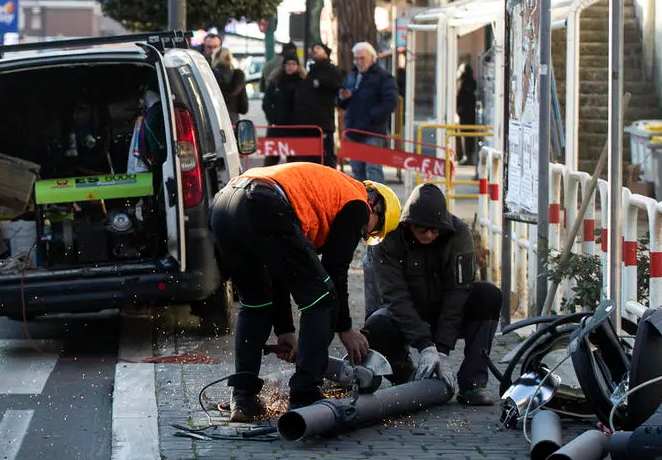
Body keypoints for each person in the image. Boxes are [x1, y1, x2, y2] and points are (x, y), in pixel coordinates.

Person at [209, 162, 401, 421]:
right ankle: (305, 393)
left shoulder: (324, 196)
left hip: (224, 205)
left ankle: (243, 398)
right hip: (262, 202)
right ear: (376, 206)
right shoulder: (357, 203)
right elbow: (335, 270)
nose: (366, 234)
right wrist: (345, 329)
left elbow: (280, 271)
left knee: (255, 302)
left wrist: (285, 330)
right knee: (322, 298)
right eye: (374, 229)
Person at [363, 183, 501, 406]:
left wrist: (443, 350)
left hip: (445, 313)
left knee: (488, 295)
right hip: (405, 315)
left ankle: (473, 382)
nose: (429, 234)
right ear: (409, 225)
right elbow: (395, 296)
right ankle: (406, 377)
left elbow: (458, 294)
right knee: (376, 325)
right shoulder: (390, 238)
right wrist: (425, 346)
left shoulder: (459, 234)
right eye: (422, 229)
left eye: (434, 230)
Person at [337, 42, 399, 183]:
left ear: (372, 58)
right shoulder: (352, 75)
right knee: (356, 169)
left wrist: (372, 116)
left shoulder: (383, 76)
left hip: (372, 130)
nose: (359, 62)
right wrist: (342, 98)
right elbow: (342, 102)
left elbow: (390, 101)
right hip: (353, 129)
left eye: (362, 58)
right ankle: (361, 201)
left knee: (373, 168)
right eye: (356, 59)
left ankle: (378, 201)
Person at [297, 43, 342, 166]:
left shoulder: (331, 70)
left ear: (325, 52)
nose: (314, 51)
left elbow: (337, 85)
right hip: (309, 123)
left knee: (325, 158)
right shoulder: (312, 71)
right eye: (313, 48)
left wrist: (321, 82)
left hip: (323, 123)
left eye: (318, 48)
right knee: (310, 160)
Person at [262, 54, 305, 165]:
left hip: (296, 128)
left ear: (298, 66)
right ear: (284, 66)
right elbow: (266, 102)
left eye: (293, 64)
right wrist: (272, 119)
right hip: (278, 126)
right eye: (288, 64)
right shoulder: (275, 81)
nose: (290, 66)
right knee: (271, 161)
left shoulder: (303, 82)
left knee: (294, 161)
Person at [211, 47, 249, 123]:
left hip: (214, 120)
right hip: (232, 121)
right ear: (230, 58)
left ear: (214, 58)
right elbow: (244, 108)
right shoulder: (238, 77)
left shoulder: (209, 76)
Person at [456, 62, 479, 165]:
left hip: (464, 113)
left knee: (464, 136)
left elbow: (459, 98)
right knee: (470, 136)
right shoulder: (473, 83)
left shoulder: (462, 83)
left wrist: (457, 110)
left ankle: (466, 156)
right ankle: (470, 156)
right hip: (472, 113)